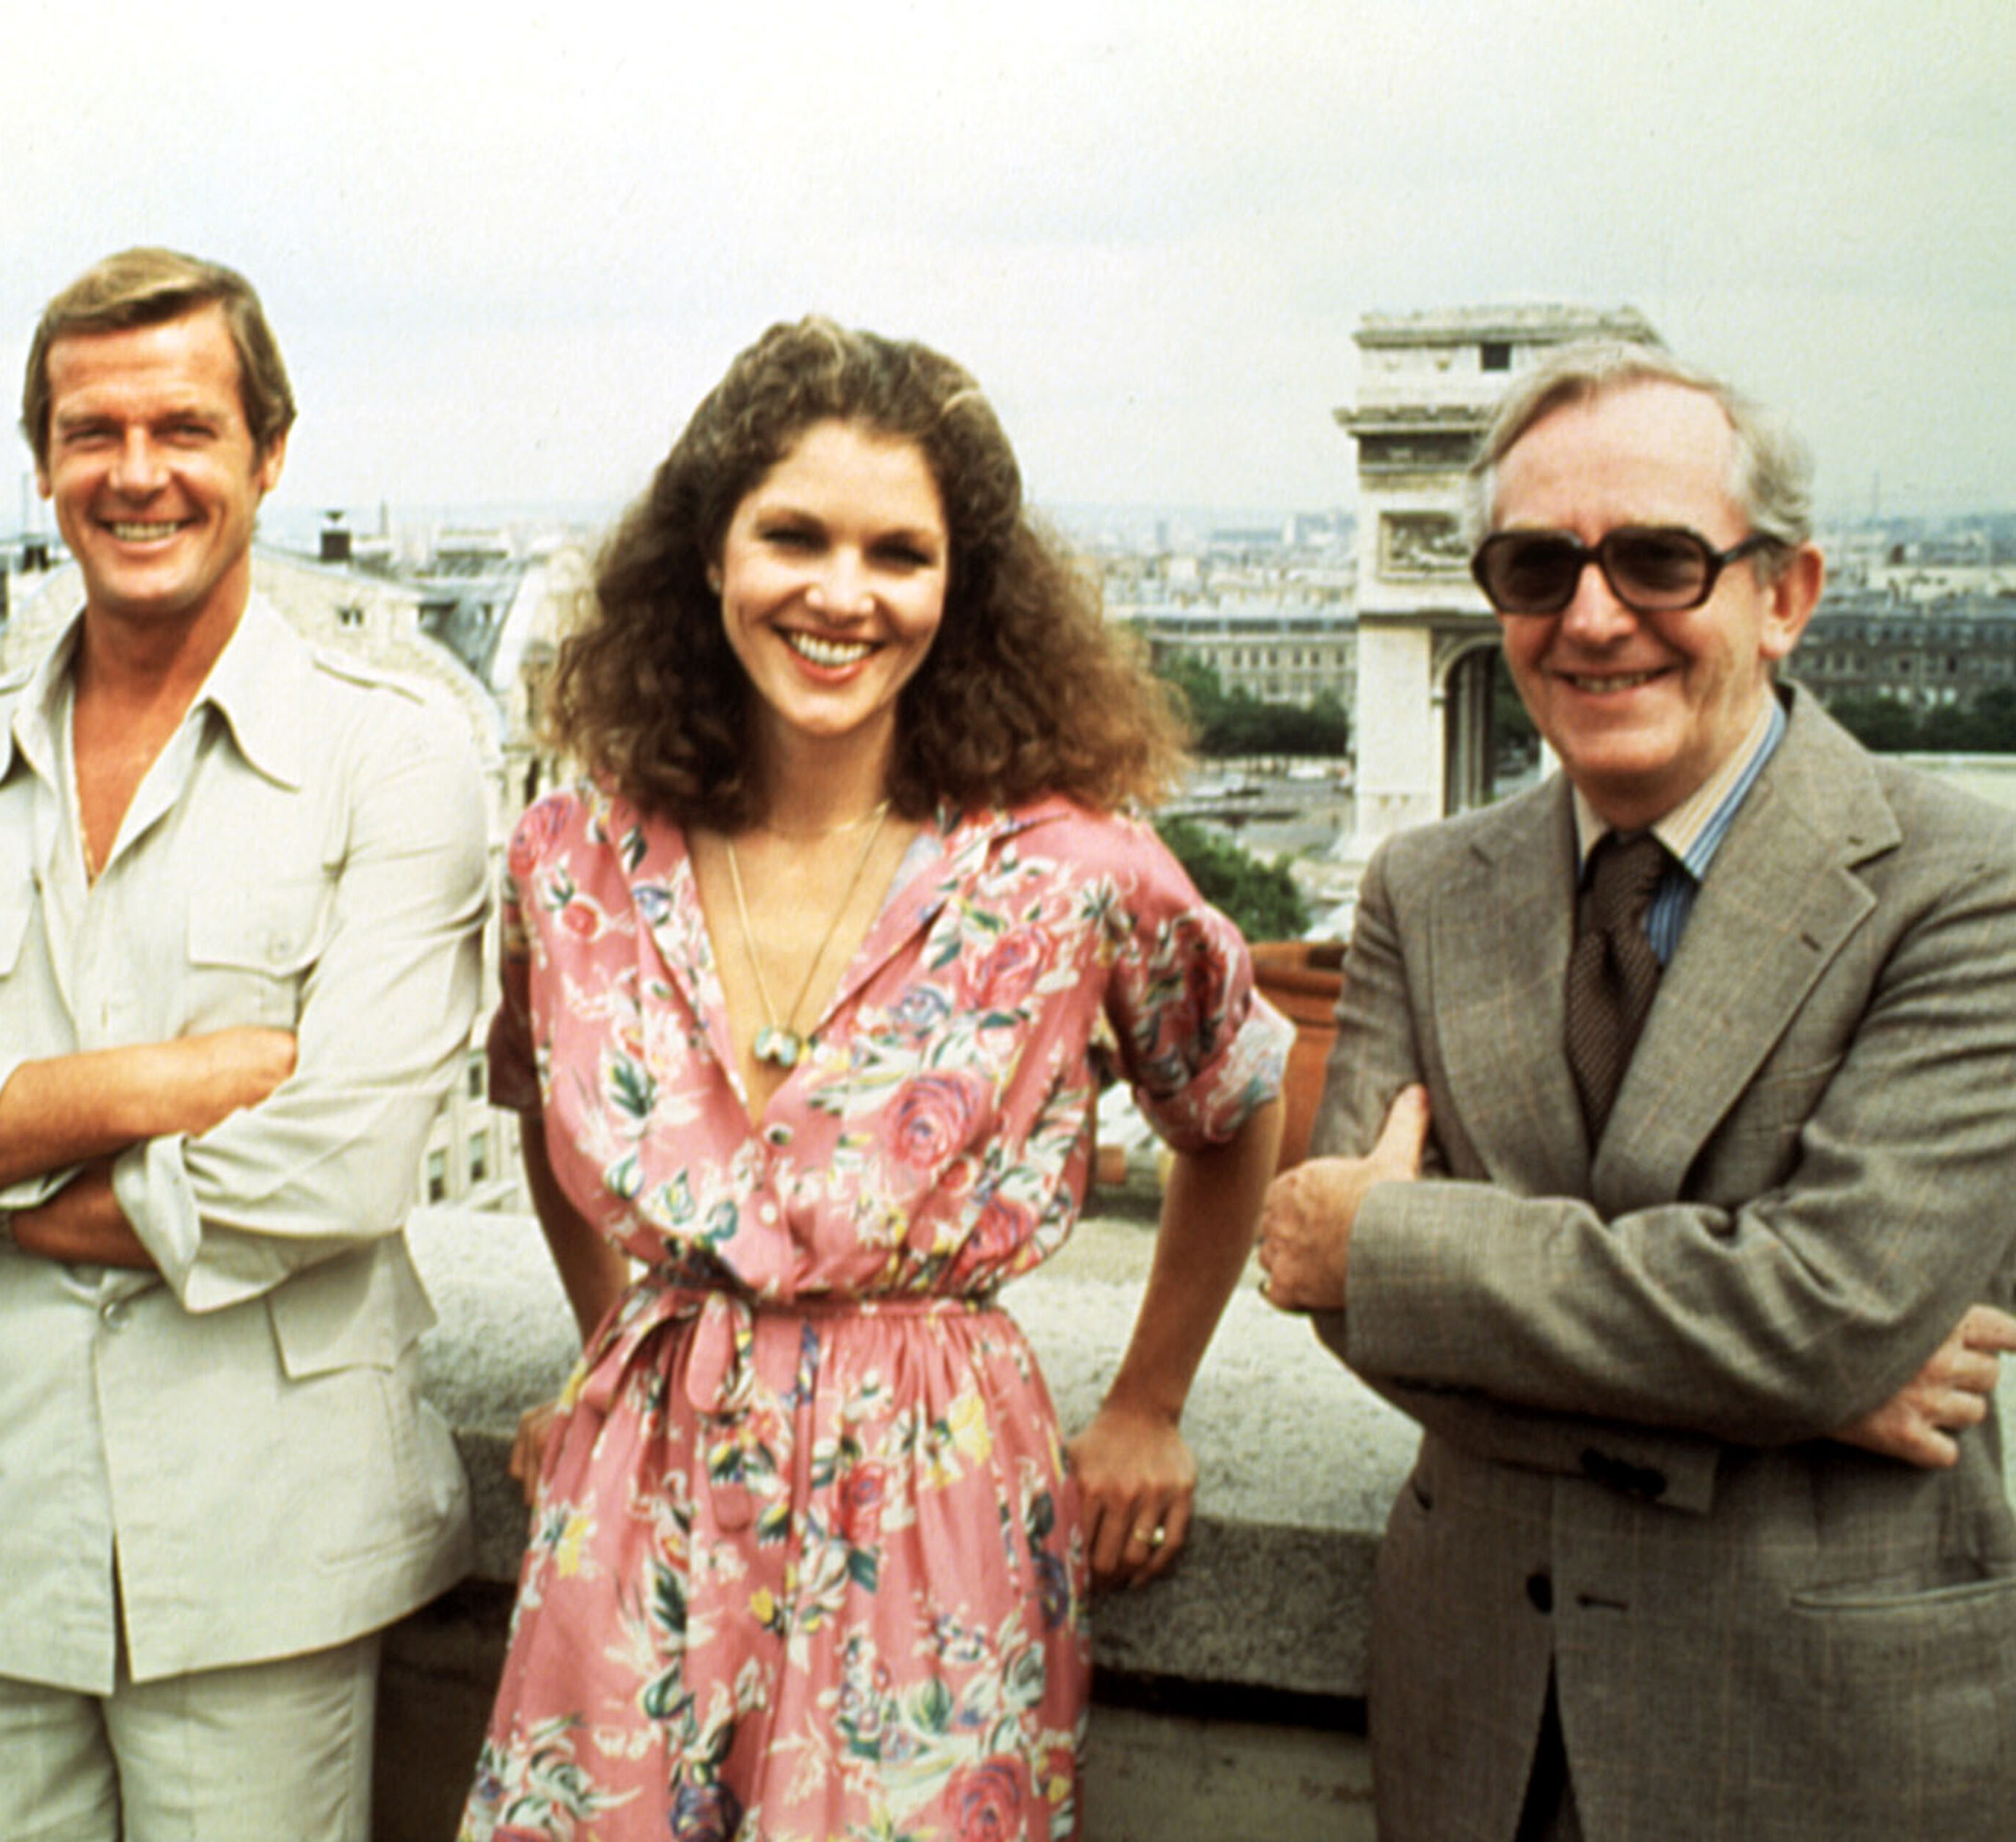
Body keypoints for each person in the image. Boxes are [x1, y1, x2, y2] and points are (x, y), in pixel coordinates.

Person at [463, 318, 1290, 1841]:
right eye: (795, 536)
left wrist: (1150, 1399)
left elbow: (1234, 1104)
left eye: (897, 553)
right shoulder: (571, 855)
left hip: (932, 1513)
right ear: (709, 553)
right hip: (632, 1504)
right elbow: (547, 1111)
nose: (842, 595)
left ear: (959, 590)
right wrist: (609, 1347)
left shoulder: (1072, 870)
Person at [0, 247, 482, 1842]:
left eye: (185, 428)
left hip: (267, 1542)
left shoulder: (391, 754)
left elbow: (343, 1159)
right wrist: (164, 1085)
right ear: (42, 463)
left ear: (269, 453)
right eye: (92, 431)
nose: (136, 472)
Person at [1256, 341, 2016, 1840]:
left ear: (1786, 593)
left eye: (1661, 560)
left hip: (1818, 1736)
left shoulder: (1967, 887)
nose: (1594, 617)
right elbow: (1348, 1311)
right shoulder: (1420, 886)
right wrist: (1786, 1394)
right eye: (1536, 567)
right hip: (1478, 1728)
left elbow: (1818, 1311)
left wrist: (1400, 1245)